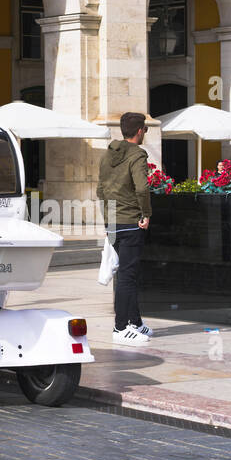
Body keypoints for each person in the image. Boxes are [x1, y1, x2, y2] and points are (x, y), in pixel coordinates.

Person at [97, 111, 152, 346]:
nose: (144, 134)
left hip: (114, 221)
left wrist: (107, 218)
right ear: (139, 131)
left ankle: (135, 322)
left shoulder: (107, 156)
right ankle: (120, 328)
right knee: (128, 275)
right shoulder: (138, 155)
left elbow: (101, 190)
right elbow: (142, 188)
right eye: (145, 130)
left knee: (126, 273)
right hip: (131, 220)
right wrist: (146, 213)